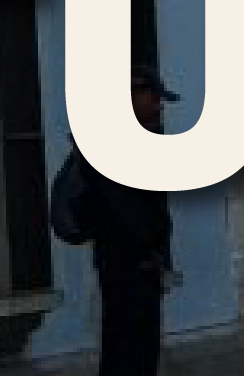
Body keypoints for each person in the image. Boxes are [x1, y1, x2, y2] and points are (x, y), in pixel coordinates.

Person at [68, 64, 176, 376]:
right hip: (127, 269)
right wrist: (148, 253)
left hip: (139, 270)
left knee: (141, 353)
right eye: (154, 98)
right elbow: (127, 213)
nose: (159, 106)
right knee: (127, 354)